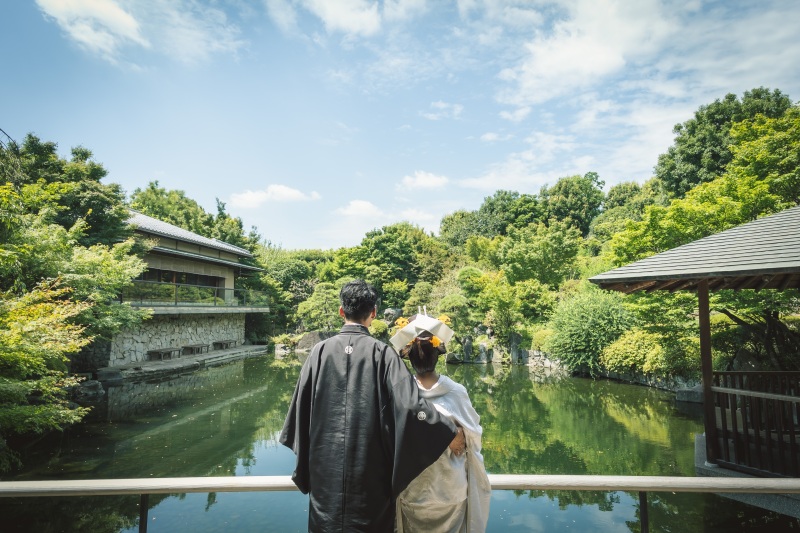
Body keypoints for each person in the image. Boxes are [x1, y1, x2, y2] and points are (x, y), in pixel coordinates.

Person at [279, 280, 466, 532]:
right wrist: (448, 432)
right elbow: (412, 407)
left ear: (341, 311)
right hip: (369, 476)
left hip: (326, 472)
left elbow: (300, 411)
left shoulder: (319, 352)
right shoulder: (383, 354)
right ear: (374, 313)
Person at [390, 315, 491, 533]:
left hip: (413, 490)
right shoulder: (456, 392)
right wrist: (455, 435)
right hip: (450, 490)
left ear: (408, 357)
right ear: (438, 355)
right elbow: (473, 438)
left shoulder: (399, 394)